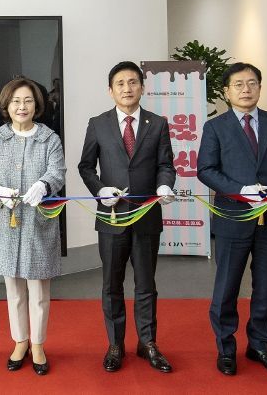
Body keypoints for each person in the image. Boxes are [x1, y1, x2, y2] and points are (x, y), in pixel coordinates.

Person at [196, 62, 267, 376]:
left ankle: (260, 346)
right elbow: (206, 170)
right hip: (233, 218)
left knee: (266, 288)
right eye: (239, 84)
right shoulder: (215, 127)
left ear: (260, 87)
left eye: (252, 83)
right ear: (226, 92)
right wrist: (240, 190)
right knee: (226, 288)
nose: (246, 89)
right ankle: (225, 348)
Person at [78, 61, 176, 373]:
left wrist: (165, 184)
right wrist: (99, 190)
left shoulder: (157, 123)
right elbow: (85, 166)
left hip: (147, 217)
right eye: (120, 83)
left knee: (146, 284)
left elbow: (166, 164)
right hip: (112, 217)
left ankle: (147, 342)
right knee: (112, 284)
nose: (127, 88)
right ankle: (115, 344)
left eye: (133, 82)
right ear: (110, 90)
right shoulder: (98, 124)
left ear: (142, 88)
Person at [0, 77, 66, 376]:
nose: (22, 106)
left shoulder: (49, 138)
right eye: (16, 101)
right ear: (7, 105)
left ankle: (38, 344)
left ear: (36, 105)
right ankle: (20, 341)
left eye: (28, 101)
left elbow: (58, 172)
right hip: (6, 223)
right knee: (13, 289)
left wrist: (44, 184)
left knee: (39, 291)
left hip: (38, 224)